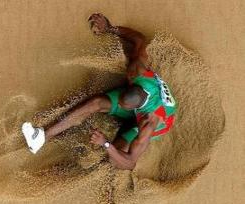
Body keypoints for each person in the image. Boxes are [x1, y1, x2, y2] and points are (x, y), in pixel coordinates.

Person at [22, 13, 177, 170]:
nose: (122, 105)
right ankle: (41, 136)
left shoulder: (148, 124)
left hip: (159, 120)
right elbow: (139, 39)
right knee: (96, 102)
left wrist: (106, 144)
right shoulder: (137, 71)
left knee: (113, 159)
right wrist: (110, 28)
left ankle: (82, 174)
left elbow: (130, 162)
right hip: (145, 97)